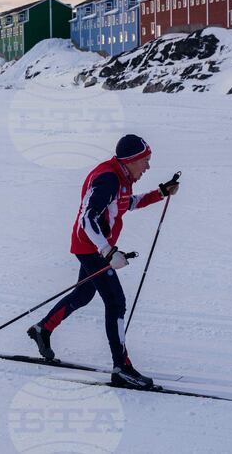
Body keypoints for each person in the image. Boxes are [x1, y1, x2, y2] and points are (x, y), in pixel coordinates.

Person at [28, 134, 180, 389]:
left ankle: (43, 329)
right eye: (145, 161)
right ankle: (122, 368)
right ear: (131, 160)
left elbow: (126, 204)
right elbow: (88, 219)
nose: (148, 167)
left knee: (83, 295)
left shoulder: (122, 178)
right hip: (91, 248)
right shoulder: (108, 178)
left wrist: (160, 193)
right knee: (115, 301)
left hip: (93, 248)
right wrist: (107, 251)